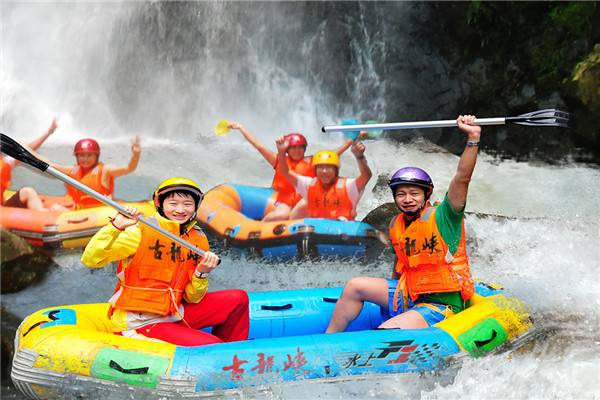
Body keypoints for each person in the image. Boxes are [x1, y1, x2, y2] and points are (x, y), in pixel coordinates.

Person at [326, 115, 481, 332]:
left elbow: (462, 177)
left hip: (442, 303)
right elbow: (400, 266)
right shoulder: (396, 224)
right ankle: (330, 339)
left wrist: (473, 137)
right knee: (354, 286)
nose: (407, 199)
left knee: (388, 330)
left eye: (414, 194)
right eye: (401, 194)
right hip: (409, 292)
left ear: (426, 195)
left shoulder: (445, 215)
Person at [81, 177, 249, 346]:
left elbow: (192, 298)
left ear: (196, 206)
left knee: (238, 299)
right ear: (160, 204)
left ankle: (233, 354)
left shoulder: (198, 238)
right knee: (212, 344)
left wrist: (201, 273)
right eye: (173, 203)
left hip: (174, 311)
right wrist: (116, 226)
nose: (180, 210)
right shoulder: (140, 232)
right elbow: (91, 259)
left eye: (187, 204)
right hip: (140, 321)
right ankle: (220, 353)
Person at [227, 122, 361, 221]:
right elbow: (258, 146)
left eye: (300, 148)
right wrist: (240, 128)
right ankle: (258, 228)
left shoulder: (312, 162)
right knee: (282, 215)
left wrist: (352, 139)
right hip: (284, 200)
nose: (297, 151)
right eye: (294, 148)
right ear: (287, 149)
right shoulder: (279, 160)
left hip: (303, 199)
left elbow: (335, 153)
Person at [275, 135, 372, 221]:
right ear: (315, 170)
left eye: (329, 167)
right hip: (315, 232)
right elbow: (286, 172)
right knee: (301, 207)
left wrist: (360, 157)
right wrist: (281, 150)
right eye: (320, 167)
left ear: (336, 170)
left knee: (341, 219)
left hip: (341, 233)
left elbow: (366, 176)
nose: (324, 171)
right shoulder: (309, 185)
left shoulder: (348, 185)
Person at [48, 133, 141, 210]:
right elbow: (50, 165)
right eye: (82, 155)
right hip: (80, 212)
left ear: (96, 156)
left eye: (89, 155)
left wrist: (136, 155)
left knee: (56, 208)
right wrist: (33, 155)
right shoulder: (74, 170)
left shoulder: (105, 170)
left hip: (101, 212)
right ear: (77, 157)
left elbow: (129, 168)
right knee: (54, 207)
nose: (85, 159)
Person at [1, 118, 58, 211]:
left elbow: (25, 152)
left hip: (2, 208)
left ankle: (43, 215)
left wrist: (48, 133)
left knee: (28, 192)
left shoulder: (6, 163)